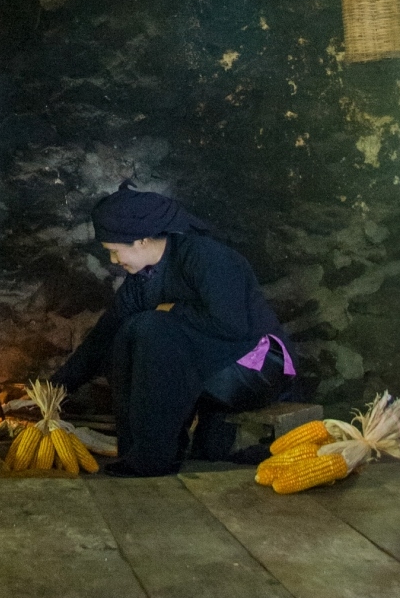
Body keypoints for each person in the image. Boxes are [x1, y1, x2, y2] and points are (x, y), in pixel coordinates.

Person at [52, 182, 296, 477]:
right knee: (125, 333)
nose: (114, 261)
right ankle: (137, 453)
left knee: (151, 328)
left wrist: (172, 313)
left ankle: (155, 458)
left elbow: (232, 324)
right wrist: (56, 388)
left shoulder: (206, 257)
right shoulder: (141, 281)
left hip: (257, 368)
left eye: (115, 251)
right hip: (210, 368)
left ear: (141, 240)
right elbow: (102, 337)